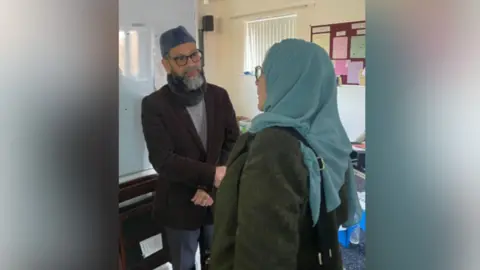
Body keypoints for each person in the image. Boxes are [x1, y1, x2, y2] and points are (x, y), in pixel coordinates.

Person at [210, 39, 362, 270]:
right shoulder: (331, 138)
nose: (257, 81)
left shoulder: (274, 146)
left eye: (263, 71)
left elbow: (263, 256)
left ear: (290, 80)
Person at [141, 26, 239, 270]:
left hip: (216, 201)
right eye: (181, 58)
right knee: (184, 265)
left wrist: (210, 184)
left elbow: (233, 141)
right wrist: (210, 175)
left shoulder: (219, 96)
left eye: (195, 55)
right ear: (167, 64)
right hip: (179, 206)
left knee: (218, 262)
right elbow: (162, 159)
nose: (191, 63)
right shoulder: (154, 105)